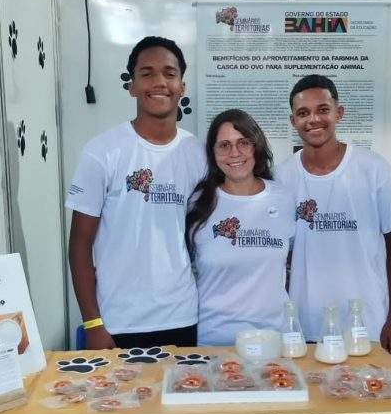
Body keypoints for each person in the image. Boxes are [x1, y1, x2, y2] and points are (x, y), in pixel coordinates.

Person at [66, 36, 205, 349]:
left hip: (182, 317)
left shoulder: (197, 154)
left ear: (182, 86)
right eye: (147, 73)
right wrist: (92, 322)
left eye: (170, 74)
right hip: (118, 322)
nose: (159, 82)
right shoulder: (102, 151)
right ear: (131, 85)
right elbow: (79, 244)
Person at [276, 75, 391, 357]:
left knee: (367, 399)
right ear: (292, 121)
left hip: (366, 323)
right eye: (303, 113)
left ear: (339, 112)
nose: (313, 119)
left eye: (323, 109)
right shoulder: (282, 177)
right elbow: (281, 254)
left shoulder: (373, 168)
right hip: (306, 324)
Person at [186, 109, 295, 346]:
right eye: (224, 145)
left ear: (256, 146)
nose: (234, 153)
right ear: (212, 153)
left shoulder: (284, 198)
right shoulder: (198, 203)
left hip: (275, 341)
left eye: (243, 143)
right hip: (214, 342)